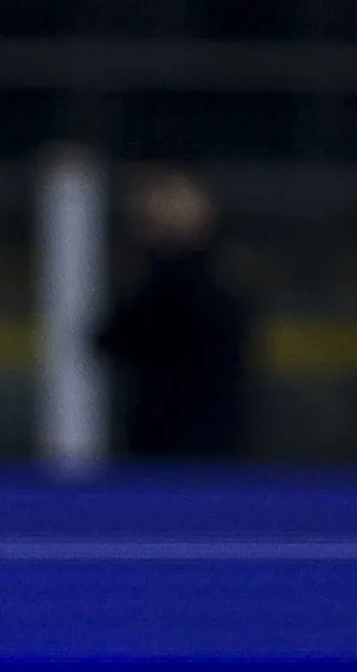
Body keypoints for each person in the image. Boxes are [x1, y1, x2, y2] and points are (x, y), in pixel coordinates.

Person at [97, 169, 250, 458]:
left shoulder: (168, 286)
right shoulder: (227, 276)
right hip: (215, 439)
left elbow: (112, 338)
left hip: (171, 445)